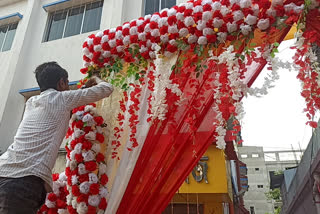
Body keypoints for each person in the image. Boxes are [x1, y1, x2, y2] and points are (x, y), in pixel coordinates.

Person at [0, 62, 113, 214]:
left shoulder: (31, 102)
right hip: (22, 181)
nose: (67, 88)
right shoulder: (62, 99)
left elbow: (56, 113)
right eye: (67, 83)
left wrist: (82, 91)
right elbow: (107, 89)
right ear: (61, 82)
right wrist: (96, 79)